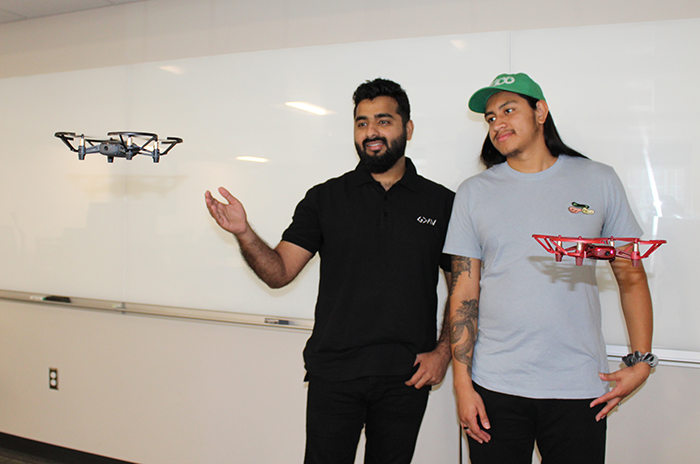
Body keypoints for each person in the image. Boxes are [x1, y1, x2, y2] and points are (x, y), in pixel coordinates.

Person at [205, 78, 454, 464]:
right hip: (334, 373)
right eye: (361, 122)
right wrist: (244, 233)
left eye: (383, 121)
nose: (371, 131)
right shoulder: (325, 198)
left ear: (408, 128)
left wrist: (443, 352)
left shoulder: (441, 203)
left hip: (405, 376)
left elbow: (465, 288)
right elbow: (279, 272)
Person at [444, 73, 656, 463]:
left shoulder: (598, 179)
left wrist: (642, 361)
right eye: (490, 117)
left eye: (509, 110)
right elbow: (464, 291)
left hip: (580, 386)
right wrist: (462, 384)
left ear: (540, 111)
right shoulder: (474, 193)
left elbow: (630, 276)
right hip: (495, 386)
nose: (498, 124)